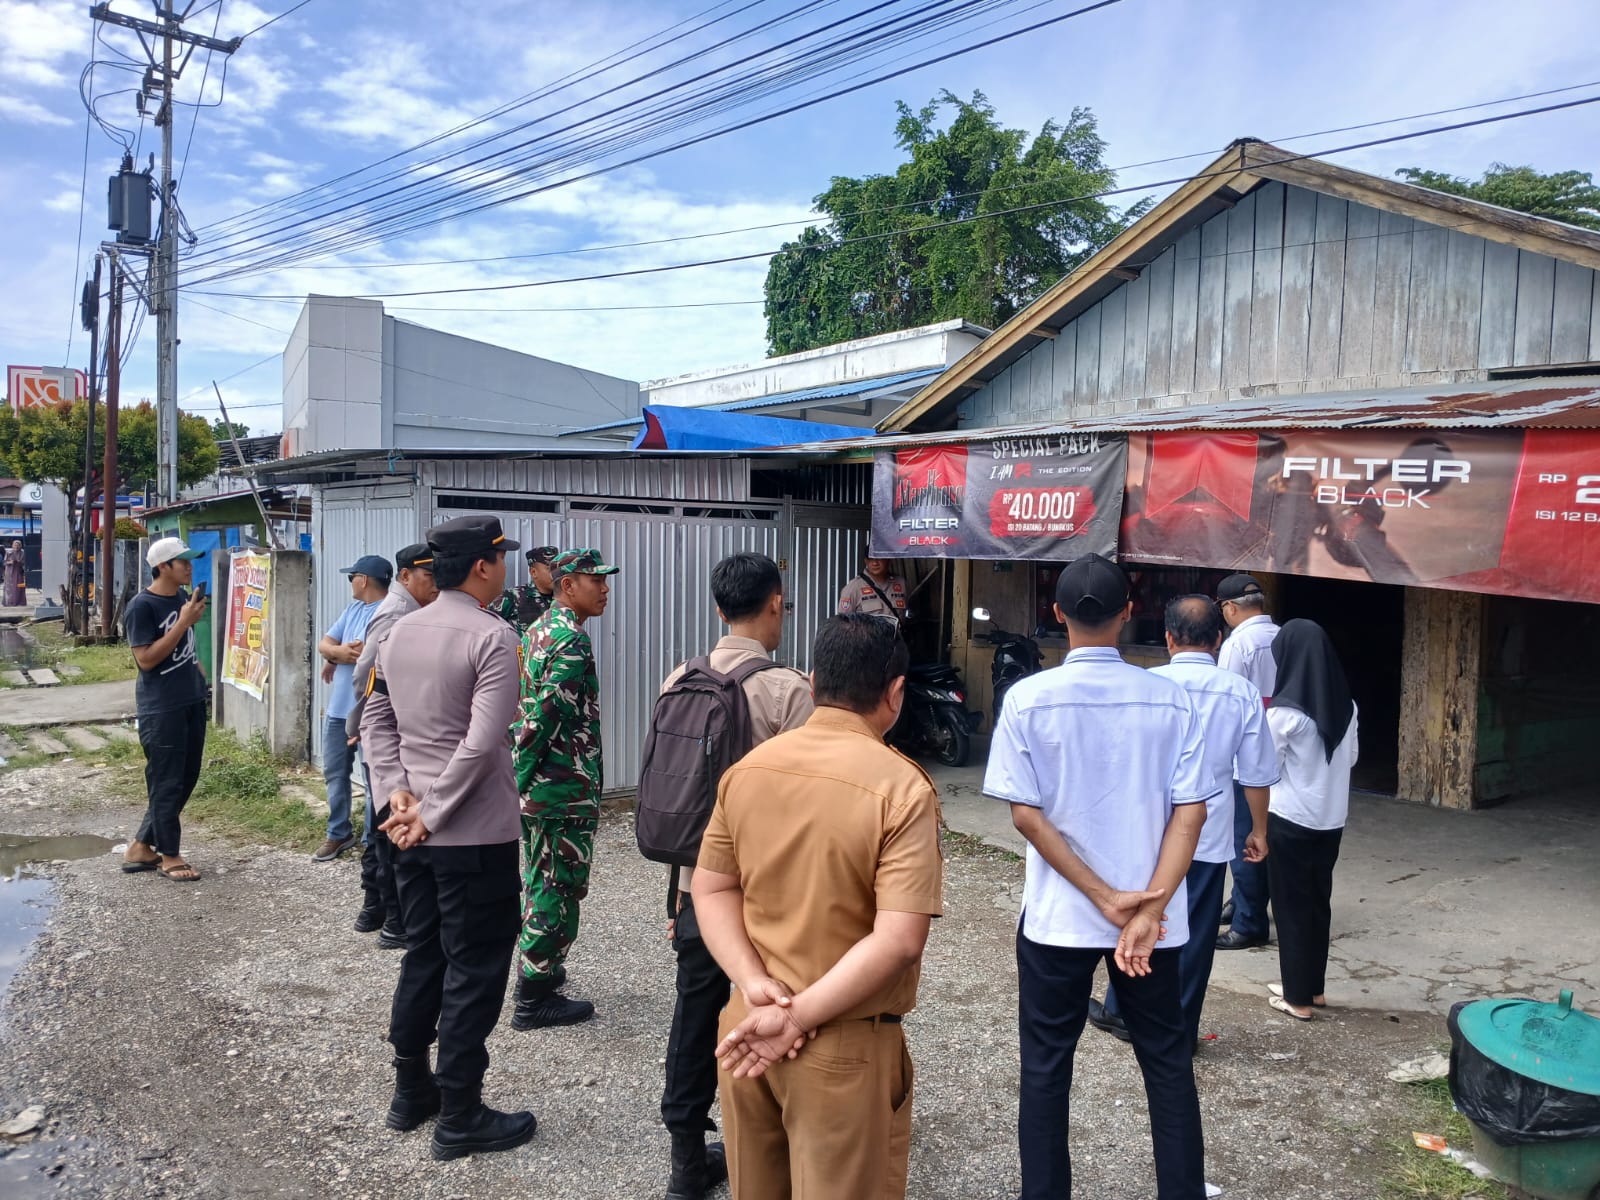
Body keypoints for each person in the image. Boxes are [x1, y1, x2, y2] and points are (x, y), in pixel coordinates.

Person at [984, 553, 1213, 1200]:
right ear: (1128, 612)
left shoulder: (1027, 699)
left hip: (1060, 919)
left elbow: (1026, 816)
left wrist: (1102, 896)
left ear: (1057, 613)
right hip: (1151, 926)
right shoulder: (1171, 698)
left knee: (1045, 1069)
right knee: (1167, 1066)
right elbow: (1191, 814)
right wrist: (1146, 908)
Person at [695, 614, 942, 1200]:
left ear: (811, 682)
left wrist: (753, 982)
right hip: (841, 1042)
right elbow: (899, 939)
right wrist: (798, 1016)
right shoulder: (903, 789)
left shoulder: (748, 770)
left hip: (747, 1027)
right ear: (896, 692)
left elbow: (711, 888)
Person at [360, 514, 536, 1160]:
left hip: (408, 833)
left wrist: (396, 792)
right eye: (501, 558)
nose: (505, 567)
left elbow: (375, 720)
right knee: (476, 967)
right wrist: (431, 812)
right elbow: (482, 742)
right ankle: (460, 1112)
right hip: (473, 836)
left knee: (425, 955)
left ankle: (412, 1091)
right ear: (484, 566)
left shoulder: (397, 632)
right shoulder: (494, 637)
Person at [656, 552, 814, 1200]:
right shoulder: (789, 691)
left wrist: (679, 895)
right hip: (772, 897)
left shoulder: (679, 678)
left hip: (698, 886)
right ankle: (778, 1151)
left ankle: (685, 1162)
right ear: (775, 603)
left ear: (720, 608)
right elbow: (810, 803)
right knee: (780, 1011)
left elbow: (680, 797)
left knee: (695, 1013)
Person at [1088, 595, 1279, 1052]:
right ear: (1219, 639)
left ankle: (1122, 1008)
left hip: (1146, 831)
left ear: (1168, 638)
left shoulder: (1145, 685)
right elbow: (1255, 774)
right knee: (1195, 932)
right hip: (1207, 834)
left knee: (1139, 915)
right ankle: (1180, 1028)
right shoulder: (1240, 693)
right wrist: (1258, 830)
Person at [510, 547, 618, 1029]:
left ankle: (543, 973)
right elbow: (542, 719)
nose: (605, 589)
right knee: (558, 885)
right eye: (597, 581)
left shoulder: (538, 629)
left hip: (545, 789)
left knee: (541, 878)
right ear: (568, 585)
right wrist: (521, 775)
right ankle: (534, 998)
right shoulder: (570, 640)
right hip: (560, 788)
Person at [1263, 619, 1359, 1022]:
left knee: (1290, 906)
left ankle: (1297, 998)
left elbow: (1265, 769)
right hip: (1331, 819)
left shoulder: (1284, 713)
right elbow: (1351, 758)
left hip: (1290, 818)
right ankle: (1312, 987)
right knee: (1318, 902)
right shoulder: (1347, 707)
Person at [346, 543, 440, 946]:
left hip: (387, 733)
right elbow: (367, 674)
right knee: (388, 824)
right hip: (388, 735)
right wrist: (367, 721)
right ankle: (391, 919)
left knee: (384, 821)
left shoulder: (411, 608)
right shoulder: (399, 613)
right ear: (404, 576)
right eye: (427, 576)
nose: (435, 584)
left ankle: (378, 912)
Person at [120, 536, 209, 883]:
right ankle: (169, 855)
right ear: (162, 567)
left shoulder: (183, 598)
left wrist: (198, 670)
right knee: (166, 780)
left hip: (191, 698)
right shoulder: (141, 606)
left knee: (185, 776)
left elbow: (185, 645)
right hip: (162, 706)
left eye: (189, 561)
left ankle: (141, 847)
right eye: (182, 561)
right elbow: (145, 659)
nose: (189, 567)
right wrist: (183, 623)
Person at [1215, 571, 1280, 951]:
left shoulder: (1238, 644)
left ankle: (1249, 921)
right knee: (1264, 834)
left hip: (1247, 755)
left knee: (1246, 840)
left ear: (1229, 608)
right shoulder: (1281, 635)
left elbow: (1228, 703)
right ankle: (1243, 902)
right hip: (1281, 748)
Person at [314, 554, 391, 862]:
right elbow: (325, 644)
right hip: (338, 711)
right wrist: (335, 654)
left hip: (370, 712)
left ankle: (373, 840)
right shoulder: (353, 609)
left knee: (374, 779)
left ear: (364, 580)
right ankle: (338, 833)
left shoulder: (387, 613)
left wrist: (337, 653)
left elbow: (362, 655)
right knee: (335, 773)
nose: (350, 583)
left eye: (352, 577)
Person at [494, 544, 559, 636]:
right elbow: (489, 625)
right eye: (550, 569)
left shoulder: (563, 598)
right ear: (533, 572)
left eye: (557, 568)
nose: (556, 574)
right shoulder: (513, 596)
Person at [837, 555, 908, 623]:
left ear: (888, 559)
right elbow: (843, 623)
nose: (875, 563)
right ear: (865, 561)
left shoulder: (901, 583)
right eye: (870, 559)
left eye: (879, 558)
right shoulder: (853, 587)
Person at [3, 539, 25, 607]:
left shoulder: (22, 552)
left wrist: (19, 562)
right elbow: (4, 562)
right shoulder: (9, 552)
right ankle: (9, 602)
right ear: (12, 545)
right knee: (9, 587)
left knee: (19, 586)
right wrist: (10, 562)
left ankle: (19, 601)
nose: (16, 546)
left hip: (19, 571)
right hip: (10, 572)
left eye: (18, 545)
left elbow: (24, 562)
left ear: (20, 546)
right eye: (15, 545)